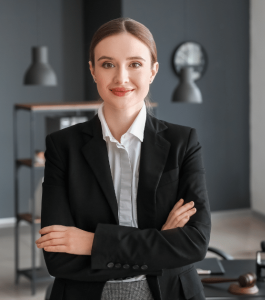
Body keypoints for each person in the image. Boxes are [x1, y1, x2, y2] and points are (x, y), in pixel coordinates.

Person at [35, 17, 211, 300]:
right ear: (93, 71)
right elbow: (59, 259)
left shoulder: (183, 142)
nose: (121, 78)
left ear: (153, 71)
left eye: (135, 64)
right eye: (108, 64)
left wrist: (93, 243)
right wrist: (160, 241)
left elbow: (195, 243)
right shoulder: (61, 146)